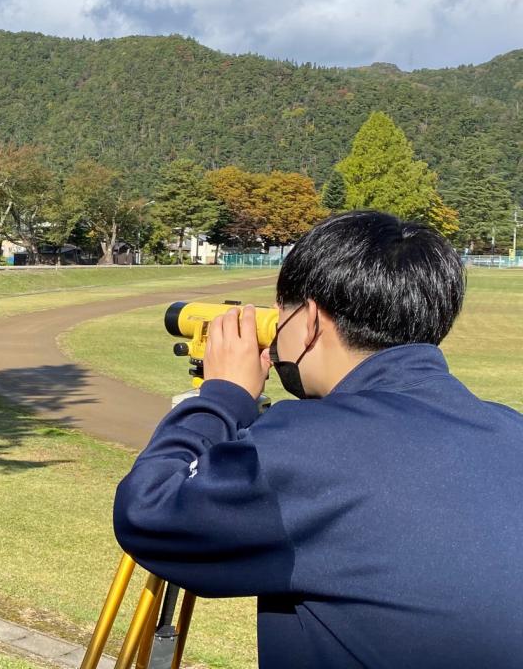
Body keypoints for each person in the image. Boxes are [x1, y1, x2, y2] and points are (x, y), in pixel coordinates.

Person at [112, 211, 523, 668]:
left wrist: (222, 397)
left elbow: (148, 513)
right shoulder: (511, 430)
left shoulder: (306, 443)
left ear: (308, 320)